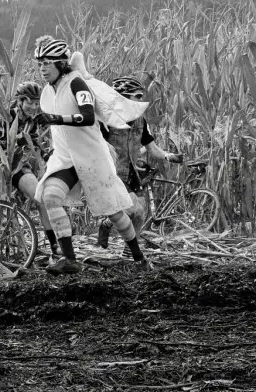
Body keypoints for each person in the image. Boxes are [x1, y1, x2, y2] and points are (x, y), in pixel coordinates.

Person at [32, 35, 153, 274]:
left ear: (60, 63)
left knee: (115, 211)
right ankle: (69, 260)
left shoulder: (76, 84)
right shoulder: (47, 92)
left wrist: (56, 119)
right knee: (50, 196)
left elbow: (87, 115)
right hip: (65, 157)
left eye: (47, 63)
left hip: (91, 156)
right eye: (39, 64)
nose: (42, 68)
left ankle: (139, 259)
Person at [97, 76, 184, 254]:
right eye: (136, 96)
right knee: (130, 209)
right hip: (113, 173)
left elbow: (151, 147)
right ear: (123, 97)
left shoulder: (140, 121)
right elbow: (97, 147)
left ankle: (129, 251)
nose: (139, 100)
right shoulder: (107, 120)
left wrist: (169, 156)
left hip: (131, 173)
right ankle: (106, 224)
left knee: (140, 213)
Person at [0, 81, 59, 255]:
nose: (33, 107)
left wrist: (46, 154)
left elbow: (32, 140)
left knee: (41, 198)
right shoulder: (6, 116)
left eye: (36, 103)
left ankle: (54, 246)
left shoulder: (32, 120)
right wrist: (17, 139)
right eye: (29, 102)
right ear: (19, 101)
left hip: (17, 167)